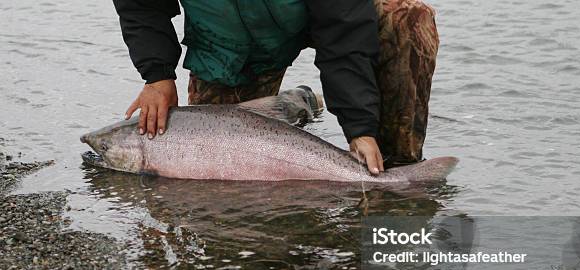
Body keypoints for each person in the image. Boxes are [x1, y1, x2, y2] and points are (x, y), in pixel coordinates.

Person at [112, 0, 438, 175]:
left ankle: (394, 170)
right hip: (231, 51)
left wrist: (360, 128)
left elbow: (344, 32)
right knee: (218, 175)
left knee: (407, 17)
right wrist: (158, 75)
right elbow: (141, 6)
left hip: (310, 16)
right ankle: (297, 104)